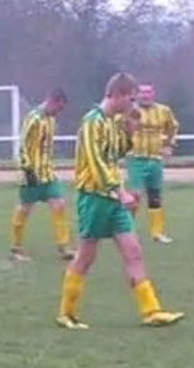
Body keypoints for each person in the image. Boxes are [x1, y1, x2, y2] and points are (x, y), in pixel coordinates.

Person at [56, 73, 183, 330]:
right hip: (94, 198)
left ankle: (151, 311)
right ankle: (66, 313)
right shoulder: (92, 122)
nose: (133, 104)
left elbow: (115, 154)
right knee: (86, 257)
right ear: (118, 95)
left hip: (113, 199)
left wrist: (128, 133)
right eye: (131, 98)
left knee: (134, 251)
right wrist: (119, 190)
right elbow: (96, 161)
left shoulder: (113, 121)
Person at [9, 88, 74, 261]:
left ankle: (63, 247)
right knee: (25, 209)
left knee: (59, 204)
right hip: (31, 172)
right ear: (51, 101)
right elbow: (23, 147)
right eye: (59, 108)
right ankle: (16, 249)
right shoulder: (34, 119)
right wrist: (28, 171)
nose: (59, 112)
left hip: (47, 173)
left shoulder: (51, 120)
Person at [126, 83, 179, 244]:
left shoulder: (163, 111)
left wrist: (169, 145)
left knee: (155, 195)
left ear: (153, 94)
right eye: (142, 92)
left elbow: (173, 127)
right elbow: (120, 129)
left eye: (148, 92)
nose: (145, 95)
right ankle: (128, 231)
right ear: (137, 94)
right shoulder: (130, 111)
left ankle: (157, 233)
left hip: (155, 158)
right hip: (136, 157)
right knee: (135, 195)